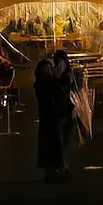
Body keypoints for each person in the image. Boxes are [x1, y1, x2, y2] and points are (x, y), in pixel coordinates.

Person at [34, 51, 75, 182]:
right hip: (51, 116)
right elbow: (58, 85)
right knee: (53, 144)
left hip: (49, 116)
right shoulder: (46, 82)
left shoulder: (43, 82)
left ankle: (53, 171)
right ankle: (54, 171)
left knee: (52, 144)